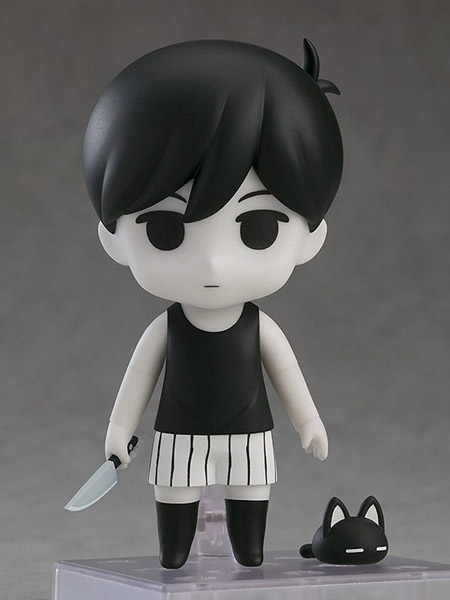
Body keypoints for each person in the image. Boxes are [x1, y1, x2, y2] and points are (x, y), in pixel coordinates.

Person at [83, 38, 343, 569]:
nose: (213, 265)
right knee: (175, 501)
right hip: (177, 436)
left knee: (250, 502)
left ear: (311, 237)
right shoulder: (166, 329)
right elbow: (139, 378)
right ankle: (174, 553)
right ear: (113, 239)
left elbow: (286, 372)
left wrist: (309, 421)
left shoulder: (260, 328)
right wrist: (118, 432)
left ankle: (249, 553)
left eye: (257, 228)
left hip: (250, 435)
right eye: (166, 230)